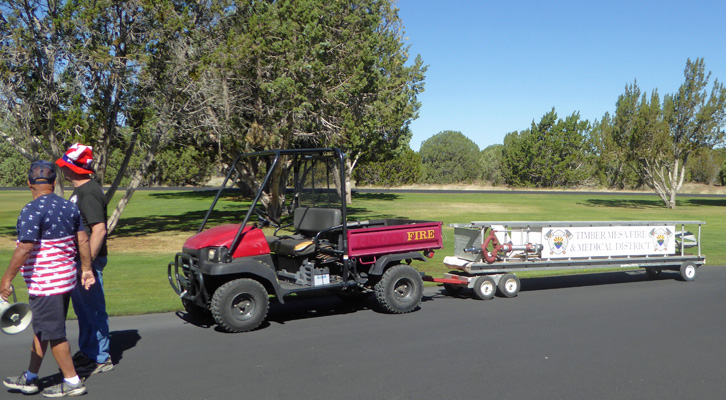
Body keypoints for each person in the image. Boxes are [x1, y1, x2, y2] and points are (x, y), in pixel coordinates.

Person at [1, 160, 95, 397]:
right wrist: (86, 269)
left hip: (46, 284)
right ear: (54, 182)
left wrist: (6, 279)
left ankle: (73, 382)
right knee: (42, 329)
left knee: (54, 333)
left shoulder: (31, 210)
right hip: (65, 281)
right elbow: (83, 240)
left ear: (29, 183)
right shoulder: (69, 207)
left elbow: (25, 248)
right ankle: (31, 378)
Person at [55, 144, 113, 376]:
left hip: (87, 262)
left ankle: (101, 357)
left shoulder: (89, 191)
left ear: (75, 168)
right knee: (83, 310)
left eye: (66, 166)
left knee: (94, 309)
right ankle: (89, 350)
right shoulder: (80, 190)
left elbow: (99, 230)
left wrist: (88, 265)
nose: (63, 171)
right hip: (79, 260)